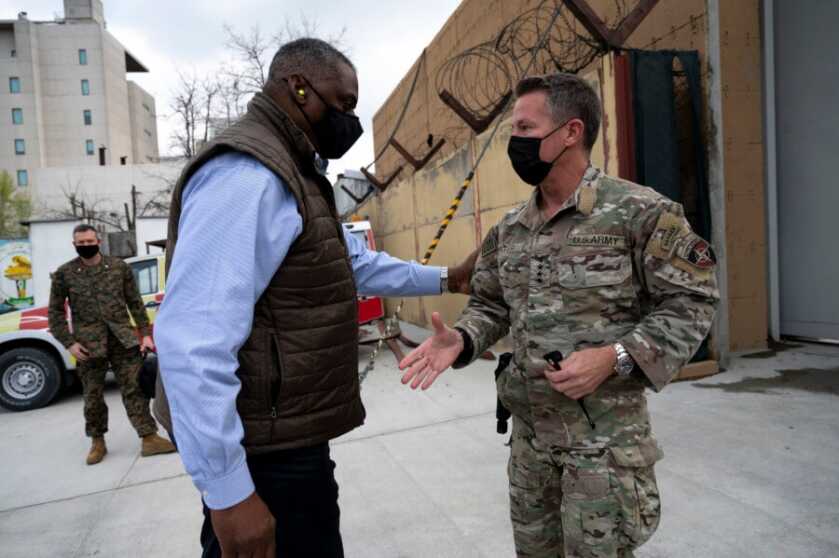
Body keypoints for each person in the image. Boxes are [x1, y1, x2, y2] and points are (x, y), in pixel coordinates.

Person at [152, 37, 474, 558]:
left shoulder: (293, 172)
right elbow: (192, 339)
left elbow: (353, 262)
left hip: (288, 440)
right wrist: (230, 494)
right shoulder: (248, 175)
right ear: (297, 88)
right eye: (343, 103)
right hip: (264, 458)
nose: (350, 120)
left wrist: (447, 278)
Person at [400, 72, 720, 557]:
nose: (514, 142)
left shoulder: (640, 212)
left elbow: (692, 302)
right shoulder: (510, 230)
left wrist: (614, 356)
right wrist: (463, 339)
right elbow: (491, 304)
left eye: (525, 129)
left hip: (603, 451)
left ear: (571, 132)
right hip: (530, 449)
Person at [47, 224, 176, 465]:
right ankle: (97, 441)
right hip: (88, 346)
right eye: (81, 243)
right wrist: (70, 344)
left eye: (90, 241)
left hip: (123, 340)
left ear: (99, 241)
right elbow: (54, 315)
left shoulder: (119, 268)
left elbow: (135, 302)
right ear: (74, 244)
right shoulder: (64, 274)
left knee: (134, 390)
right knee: (93, 396)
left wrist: (145, 334)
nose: (86, 246)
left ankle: (149, 437)